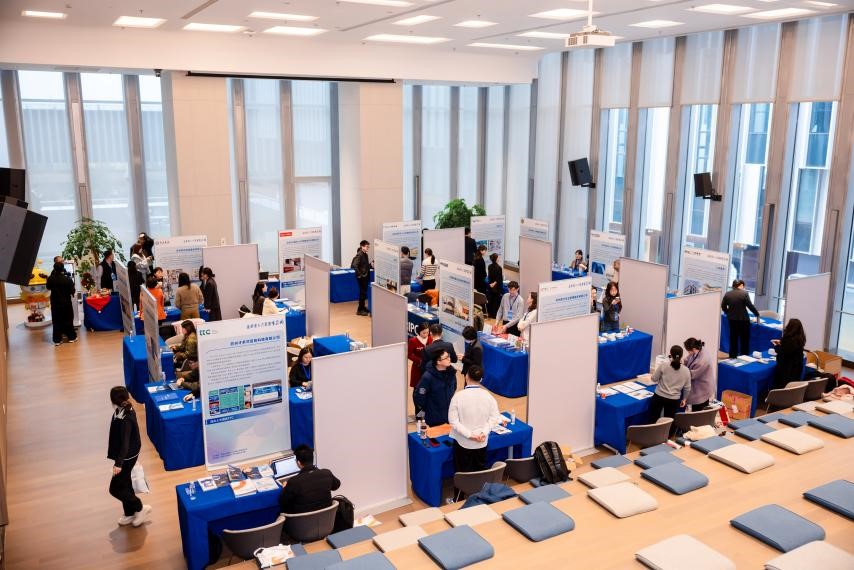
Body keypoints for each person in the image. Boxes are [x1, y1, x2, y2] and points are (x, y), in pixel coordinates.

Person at [107, 386, 151, 527]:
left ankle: (139, 507)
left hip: (126, 457)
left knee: (115, 489)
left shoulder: (126, 417)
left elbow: (125, 443)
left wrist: (118, 464)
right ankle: (130, 512)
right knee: (125, 483)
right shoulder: (121, 410)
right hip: (124, 455)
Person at [448, 365, 505, 474]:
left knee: (462, 474)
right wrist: (483, 432)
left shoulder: (458, 397)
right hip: (481, 442)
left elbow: (453, 422)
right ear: (481, 379)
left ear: (466, 377)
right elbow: (494, 417)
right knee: (479, 473)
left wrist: (470, 435)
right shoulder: (489, 397)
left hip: (462, 443)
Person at [278, 445, 341, 515]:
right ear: (312, 459)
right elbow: (336, 485)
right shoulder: (326, 473)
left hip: (302, 521)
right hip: (326, 518)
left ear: (298, 462)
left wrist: (284, 488)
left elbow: (283, 503)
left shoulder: (293, 482)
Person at [649, 345, 692, 424]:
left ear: (670, 354)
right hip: (673, 400)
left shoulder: (664, 365)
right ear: (682, 355)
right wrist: (684, 399)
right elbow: (687, 388)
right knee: (669, 422)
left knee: (653, 419)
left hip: (659, 396)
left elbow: (654, 378)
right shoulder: (686, 370)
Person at [414, 350, 458, 426]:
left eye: (449, 356)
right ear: (438, 362)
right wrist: (428, 410)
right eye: (446, 358)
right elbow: (419, 397)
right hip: (434, 417)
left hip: (450, 416)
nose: (449, 359)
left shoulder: (451, 373)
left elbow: (454, 387)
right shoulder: (427, 377)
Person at [721, 279, 759, 357]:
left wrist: (728, 312)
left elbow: (723, 306)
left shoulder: (727, 294)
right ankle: (743, 356)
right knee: (744, 339)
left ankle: (732, 355)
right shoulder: (744, 293)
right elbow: (750, 305)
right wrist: (756, 314)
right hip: (743, 320)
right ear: (741, 285)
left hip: (732, 320)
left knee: (733, 338)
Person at [46, 260, 78, 346]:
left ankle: (57, 340)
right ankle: (71, 337)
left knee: (56, 321)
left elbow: (48, 287)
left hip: (55, 303)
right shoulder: (67, 279)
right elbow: (72, 290)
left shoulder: (50, 278)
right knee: (68, 319)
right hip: (66, 303)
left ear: (54, 269)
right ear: (63, 269)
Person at [771, 318, 806, 390]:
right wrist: (781, 344)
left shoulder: (788, 339)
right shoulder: (800, 339)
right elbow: (788, 349)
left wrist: (776, 346)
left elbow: (782, 352)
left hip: (786, 372)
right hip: (796, 371)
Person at [683, 338, 714, 411]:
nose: (688, 353)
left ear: (693, 349)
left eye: (688, 351)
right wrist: (682, 362)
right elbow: (689, 358)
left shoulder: (702, 361)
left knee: (698, 410)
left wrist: (681, 371)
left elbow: (692, 375)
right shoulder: (698, 349)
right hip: (700, 385)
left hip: (702, 389)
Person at [408, 322, 432, 389]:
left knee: (428, 387)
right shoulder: (413, 341)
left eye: (427, 332)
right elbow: (409, 354)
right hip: (418, 368)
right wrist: (420, 361)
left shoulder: (430, 338)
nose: (426, 334)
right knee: (417, 387)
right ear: (419, 331)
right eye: (424, 333)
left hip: (429, 368)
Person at [353, 240, 371, 316]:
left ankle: (362, 307)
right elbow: (354, 265)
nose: (368, 248)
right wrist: (360, 275)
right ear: (362, 246)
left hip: (365, 277)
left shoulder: (365, 254)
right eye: (366, 246)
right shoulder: (359, 254)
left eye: (368, 247)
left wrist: (371, 265)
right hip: (362, 277)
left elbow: (365, 265)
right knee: (362, 293)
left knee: (363, 293)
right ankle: (360, 310)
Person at [486, 253, 503, 318]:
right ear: (496, 259)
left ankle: (490, 313)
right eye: (498, 257)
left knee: (491, 300)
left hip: (490, 286)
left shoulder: (489, 266)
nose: (499, 258)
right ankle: (494, 315)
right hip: (496, 287)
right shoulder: (499, 268)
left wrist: (491, 284)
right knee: (496, 301)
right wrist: (494, 283)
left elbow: (489, 276)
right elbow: (499, 278)